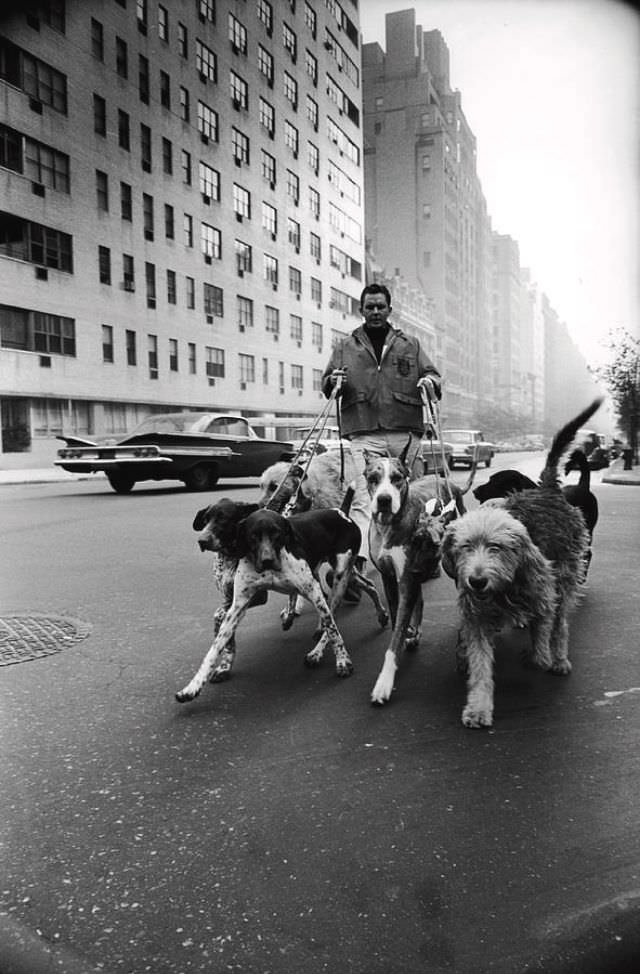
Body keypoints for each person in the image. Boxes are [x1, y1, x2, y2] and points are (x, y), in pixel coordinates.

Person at [321, 283, 442, 569]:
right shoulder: (345, 346)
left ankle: (423, 556)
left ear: (389, 309)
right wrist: (333, 382)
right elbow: (327, 384)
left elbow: (433, 375)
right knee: (366, 499)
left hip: (404, 432)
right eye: (369, 307)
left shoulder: (409, 344)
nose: (375, 311)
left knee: (414, 497)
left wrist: (429, 382)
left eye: (380, 306)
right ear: (361, 310)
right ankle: (359, 565)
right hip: (364, 432)